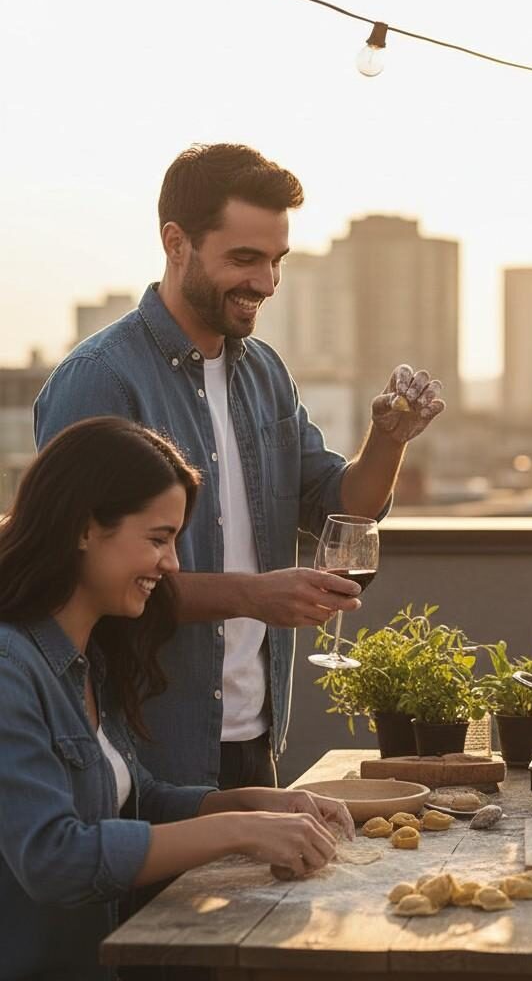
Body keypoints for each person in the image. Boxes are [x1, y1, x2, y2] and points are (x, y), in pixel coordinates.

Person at [35, 143, 444, 790]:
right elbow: (73, 577)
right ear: (176, 244)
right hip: (140, 745)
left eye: (277, 260)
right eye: (245, 259)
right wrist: (252, 595)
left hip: (254, 738)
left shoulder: (265, 374)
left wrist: (389, 440)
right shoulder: (100, 380)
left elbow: (341, 507)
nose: (267, 283)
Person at [0, 417, 356, 981]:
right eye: (159, 539)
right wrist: (238, 834)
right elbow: (54, 859)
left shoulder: (88, 653)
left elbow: (128, 799)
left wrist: (248, 804)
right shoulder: (10, 671)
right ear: (83, 529)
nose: (173, 566)